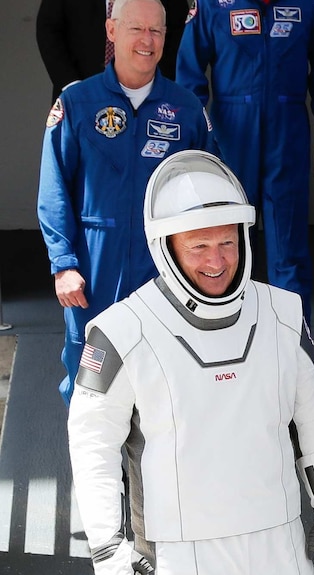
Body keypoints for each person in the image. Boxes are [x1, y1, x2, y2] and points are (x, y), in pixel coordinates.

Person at [68, 150, 314, 575]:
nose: (216, 262)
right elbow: (93, 448)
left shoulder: (284, 314)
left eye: (226, 243)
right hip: (178, 550)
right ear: (166, 247)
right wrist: (109, 552)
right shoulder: (121, 331)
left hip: (281, 537)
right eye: (198, 246)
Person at [37, 0, 215, 406]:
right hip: (95, 272)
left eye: (156, 31)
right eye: (136, 29)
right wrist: (63, 264)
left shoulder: (187, 109)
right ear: (112, 31)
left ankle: (153, 471)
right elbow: (54, 190)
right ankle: (95, 472)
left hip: (164, 271)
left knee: (166, 386)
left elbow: (209, 191)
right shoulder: (77, 104)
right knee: (90, 387)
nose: (147, 41)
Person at [176, 0, 314, 320]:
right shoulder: (212, 5)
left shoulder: (306, 5)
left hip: (287, 136)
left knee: (289, 251)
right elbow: (188, 75)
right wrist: (195, 142)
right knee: (225, 251)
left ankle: (295, 348)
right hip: (229, 138)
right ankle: (231, 345)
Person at [36, 0, 190, 101]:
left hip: (148, 100)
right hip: (79, 93)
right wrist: (73, 87)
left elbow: (178, 36)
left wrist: (153, 90)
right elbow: (48, 29)